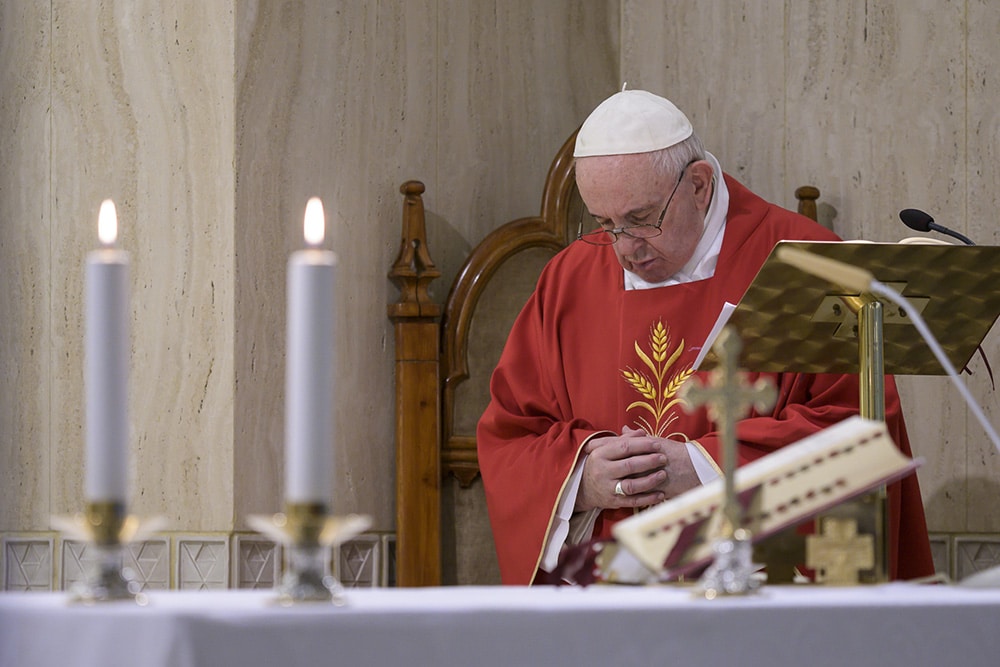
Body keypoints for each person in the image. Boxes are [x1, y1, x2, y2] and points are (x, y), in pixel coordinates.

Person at [476, 89, 934, 586]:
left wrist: (700, 467)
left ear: (698, 185)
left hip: (758, 595)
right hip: (608, 594)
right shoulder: (570, 279)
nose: (625, 249)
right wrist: (580, 479)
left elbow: (856, 432)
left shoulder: (809, 262)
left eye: (641, 219)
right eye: (606, 224)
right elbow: (512, 437)